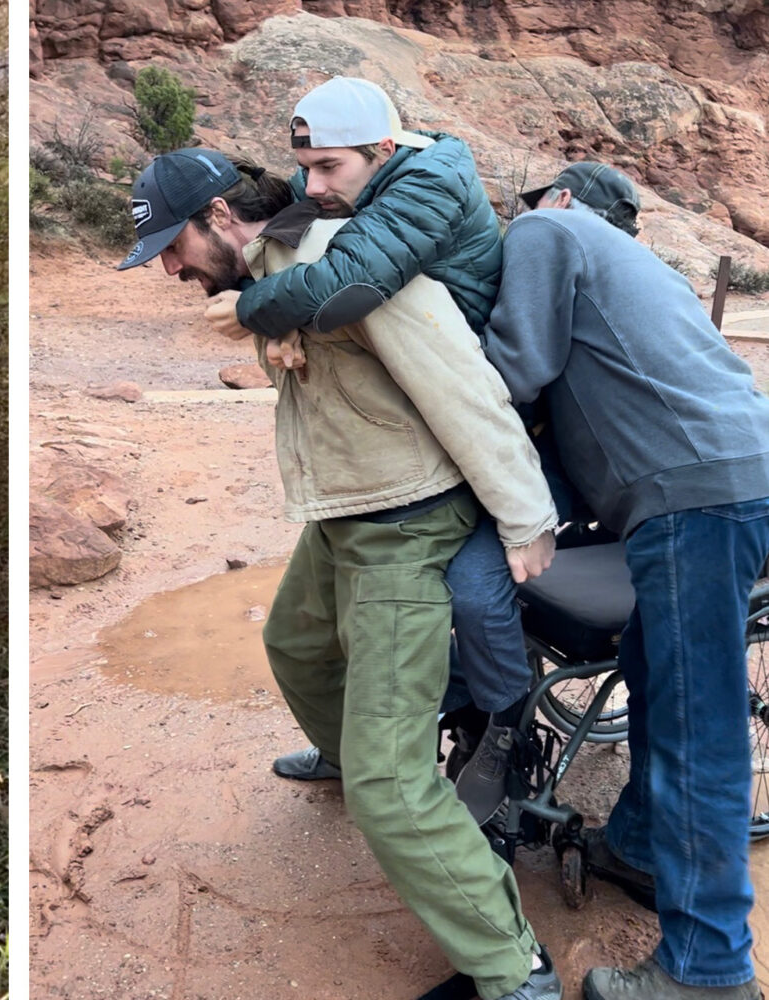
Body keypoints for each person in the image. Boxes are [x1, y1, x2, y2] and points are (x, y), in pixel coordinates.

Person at [119, 146, 561, 1000]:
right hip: (346, 517)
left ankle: (514, 968)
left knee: (388, 787)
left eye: (171, 246)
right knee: (297, 643)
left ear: (218, 217)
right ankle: (349, 750)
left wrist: (525, 516)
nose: (168, 269)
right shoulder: (273, 281)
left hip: (405, 527)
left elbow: (465, 388)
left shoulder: (338, 268)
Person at [200, 77, 539, 824]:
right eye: (306, 168)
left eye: (329, 169)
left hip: (465, 381)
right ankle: (354, 744)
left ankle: (494, 731)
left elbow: (353, 279)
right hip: (396, 408)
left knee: (467, 599)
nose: (313, 186)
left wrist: (255, 311)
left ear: (382, 151)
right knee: (305, 634)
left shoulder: (426, 186)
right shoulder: (356, 182)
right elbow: (297, 226)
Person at [483, 168, 769, 1000]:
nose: (518, 221)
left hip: (694, 503)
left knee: (697, 733)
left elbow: (511, 370)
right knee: (657, 675)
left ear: (560, 199)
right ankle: (640, 844)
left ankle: (709, 971)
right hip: (735, 480)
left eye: (531, 200)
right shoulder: (643, 269)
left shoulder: (547, 232)